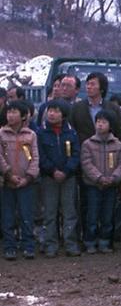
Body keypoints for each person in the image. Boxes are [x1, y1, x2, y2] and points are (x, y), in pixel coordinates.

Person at [37, 100, 81, 257]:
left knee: (69, 212)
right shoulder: (41, 133)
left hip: (68, 178)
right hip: (49, 178)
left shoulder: (71, 133)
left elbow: (76, 154)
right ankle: (50, 245)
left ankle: (71, 244)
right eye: (50, 111)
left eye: (56, 111)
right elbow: (40, 156)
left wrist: (66, 171)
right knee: (49, 212)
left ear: (63, 115)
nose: (51, 114)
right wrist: (52, 170)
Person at [80, 109, 121, 253]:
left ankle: (105, 242)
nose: (100, 125)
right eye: (98, 121)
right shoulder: (88, 144)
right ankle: (90, 242)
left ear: (110, 125)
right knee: (92, 215)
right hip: (93, 185)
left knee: (107, 215)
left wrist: (113, 178)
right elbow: (86, 163)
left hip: (112, 185)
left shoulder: (118, 145)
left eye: (104, 122)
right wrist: (99, 178)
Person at [0, 100, 39, 260]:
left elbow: (35, 157)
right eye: (9, 112)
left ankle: (28, 246)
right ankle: (9, 247)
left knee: (26, 215)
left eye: (14, 112)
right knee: (8, 216)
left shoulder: (30, 135)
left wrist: (29, 177)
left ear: (23, 116)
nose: (10, 115)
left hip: (26, 183)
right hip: (7, 182)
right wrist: (8, 174)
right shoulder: (1, 133)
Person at [69, 72, 121, 143]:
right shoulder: (76, 108)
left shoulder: (113, 108)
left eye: (92, 84)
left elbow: (118, 131)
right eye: (87, 84)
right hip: (84, 149)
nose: (88, 87)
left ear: (102, 88)